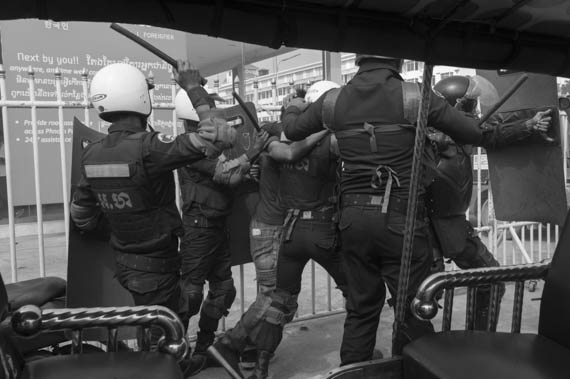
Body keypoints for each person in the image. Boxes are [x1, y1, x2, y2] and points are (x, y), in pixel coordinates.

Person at [281, 54, 535, 364]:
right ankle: (410, 370)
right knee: (412, 309)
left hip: (351, 222)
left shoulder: (333, 100)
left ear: (360, 60)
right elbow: (473, 134)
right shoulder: (414, 95)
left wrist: (296, 103)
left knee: (361, 310)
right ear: (398, 60)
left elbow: (292, 130)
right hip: (400, 222)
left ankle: (355, 371)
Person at [70, 62, 235, 375]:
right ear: (139, 99)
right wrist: (193, 88)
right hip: (158, 268)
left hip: (126, 264)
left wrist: (118, 227)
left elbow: (82, 216)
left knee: (155, 330)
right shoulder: (148, 148)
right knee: (164, 345)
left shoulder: (90, 153)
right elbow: (218, 139)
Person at [243, 80, 349, 379]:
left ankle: (261, 364)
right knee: (357, 292)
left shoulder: (278, 139)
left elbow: (281, 148)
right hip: (322, 229)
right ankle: (357, 355)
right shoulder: (330, 141)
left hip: (290, 231)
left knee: (280, 300)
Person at [428, 75, 552, 330]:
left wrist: (527, 125)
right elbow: (486, 134)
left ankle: (474, 339)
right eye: (472, 106)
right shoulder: (439, 139)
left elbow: (492, 134)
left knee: (485, 282)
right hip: (439, 229)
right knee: (487, 281)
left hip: (445, 227)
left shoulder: (448, 134)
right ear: (458, 106)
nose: (476, 112)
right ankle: (476, 342)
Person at [173, 89, 268, 372]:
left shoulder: (209, 143)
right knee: (189, 295)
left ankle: (205, 348)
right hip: (198, 228)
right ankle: (167, 350)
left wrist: (245, 170)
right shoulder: (189, 145)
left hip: (216, 225)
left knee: (223, 291)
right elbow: (223, 173)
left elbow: (228, 176)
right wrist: (252, 153)